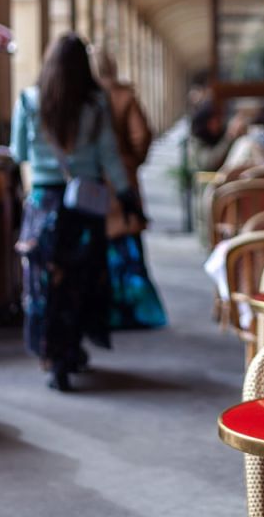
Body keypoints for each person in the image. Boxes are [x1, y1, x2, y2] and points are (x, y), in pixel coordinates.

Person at [11, 32, 139, 392]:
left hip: (44, 204)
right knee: (80, 281)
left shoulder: (28, 101)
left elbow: (19, 153)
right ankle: (72, 349)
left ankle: (51, 355)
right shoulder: (95, 104)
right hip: (84, 205)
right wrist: (126, 195)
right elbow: (109, 156)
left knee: (44, 282)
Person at [94, 49, 166, 329]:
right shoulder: (124, 96)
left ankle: (106, 311)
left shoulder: (86, 98)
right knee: (129, 246)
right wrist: (131, 161)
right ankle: (137, 310)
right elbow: (141, 135)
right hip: (122, 179)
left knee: (100, 248)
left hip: (94, 180)